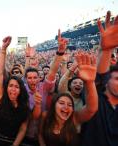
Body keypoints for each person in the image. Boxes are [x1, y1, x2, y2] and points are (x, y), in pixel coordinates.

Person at [39, 52, 98, 146]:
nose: (66, 106)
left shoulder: (74, 118)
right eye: (61, 103)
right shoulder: (45, 116)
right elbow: (40, 134)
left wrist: (90, 82)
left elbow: (92, 109)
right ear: (54, 104)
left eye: (70, 105)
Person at [81, 11, 118, 146]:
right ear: (107, 81)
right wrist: (107, 50)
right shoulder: (96, 101)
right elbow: (100, 76)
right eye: (117, 79)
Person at [0, 36, 29, 146]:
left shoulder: (24, 104)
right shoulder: (1, 97)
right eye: (11, 85)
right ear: (6, 87)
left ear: (21, 90)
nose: (13, 89)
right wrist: (3, 50)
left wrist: (15, 144)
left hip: (14, 141)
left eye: (17, 86)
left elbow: (23, 128)